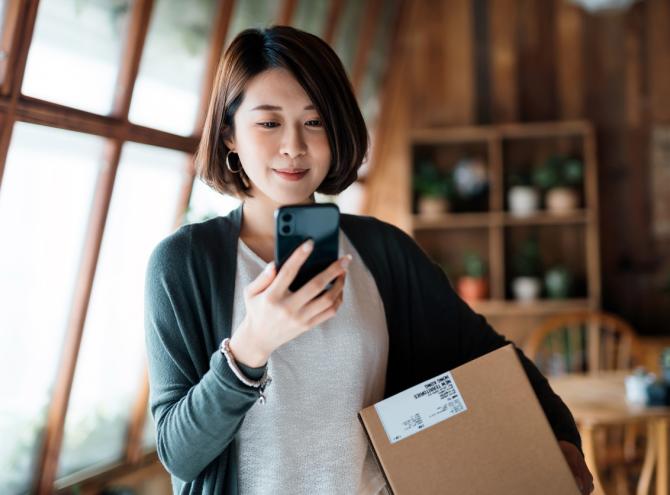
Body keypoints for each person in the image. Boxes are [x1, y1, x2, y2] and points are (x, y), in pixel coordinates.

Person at [144, 25, 594, 495]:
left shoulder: (382, 252)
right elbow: (180, 454)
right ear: (230, 136)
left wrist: (560, 437)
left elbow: (487, 354)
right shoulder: (183, 265)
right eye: (269, 122)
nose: (294, 145)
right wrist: (251, 348)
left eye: (314, 122)